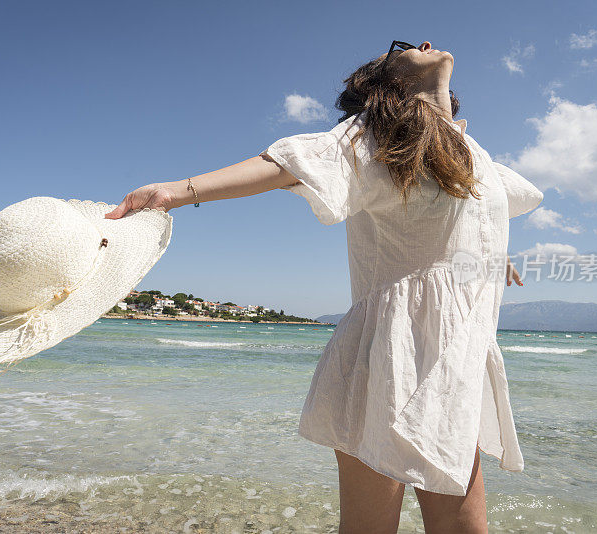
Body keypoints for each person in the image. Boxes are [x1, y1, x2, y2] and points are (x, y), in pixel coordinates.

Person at [105, 40, 543, 534]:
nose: (424, 43)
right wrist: (176, 191)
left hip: (455, 356)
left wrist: (487, 256)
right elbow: (284, 164)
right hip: (385, 354)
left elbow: (477, 210)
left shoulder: (473, 156)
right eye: (405, 46)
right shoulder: (374, 136)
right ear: (387, 81)